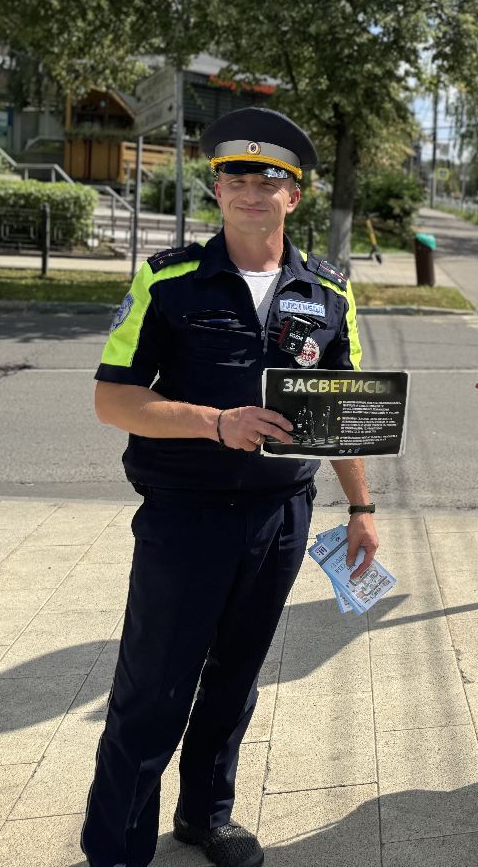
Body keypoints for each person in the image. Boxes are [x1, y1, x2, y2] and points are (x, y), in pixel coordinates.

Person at [82, 107, 380, 867]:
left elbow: (346, 409)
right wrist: (216, 423)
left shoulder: (331, 294)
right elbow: (114, 399)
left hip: (281, 517)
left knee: (235, 680)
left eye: (269, 179)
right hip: (185, 517)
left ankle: (205, 816)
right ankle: (116, 848)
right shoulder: (169, 280)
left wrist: (364, 509)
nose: (251, 191)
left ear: (296, 196)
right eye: (235, 177)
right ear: (216, 190)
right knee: (153, 688)